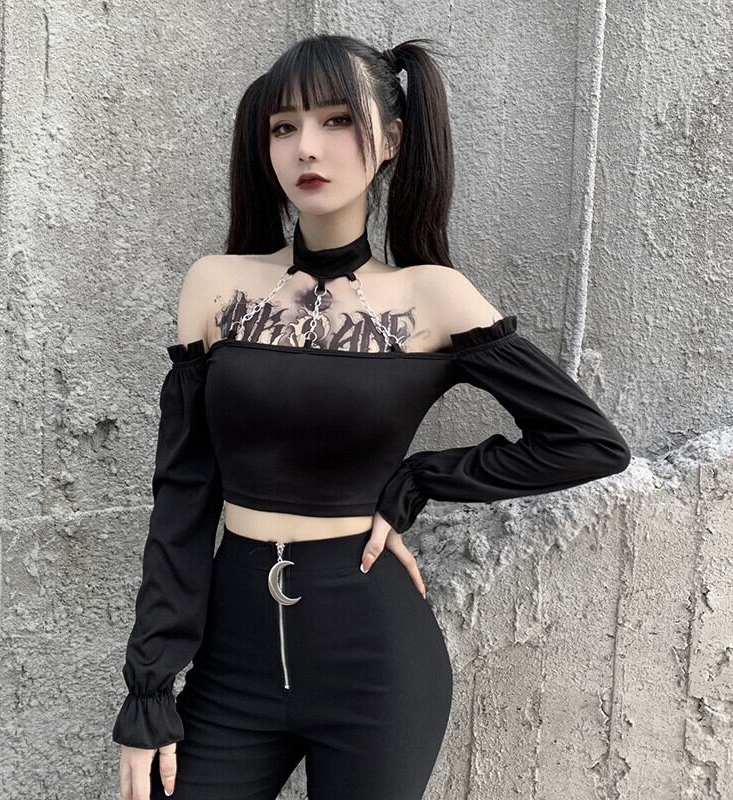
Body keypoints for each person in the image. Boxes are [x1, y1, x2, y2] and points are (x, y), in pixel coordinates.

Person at [112, 33, 631, 800]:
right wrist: (150, 685)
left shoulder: (433, 296)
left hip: (376, 666)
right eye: (284, 126)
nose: (306, 146)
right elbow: (182, 499)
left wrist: (420, 479)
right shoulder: (215, 287)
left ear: (389, 141)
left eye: (335, 120)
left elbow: (587, 442)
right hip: (232, 661)